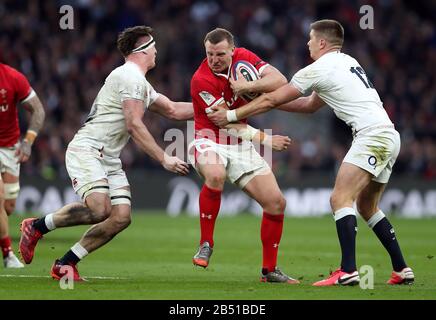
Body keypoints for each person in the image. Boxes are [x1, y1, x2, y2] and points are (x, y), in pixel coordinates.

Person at [208, 19, 414, 286]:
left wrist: (233, 113)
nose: (307, 44)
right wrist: (260, 100)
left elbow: (273, 97)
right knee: (366, 206)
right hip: (388, 135)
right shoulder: (348, 62)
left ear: (321, 43)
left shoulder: (317, 68)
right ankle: (401, 269)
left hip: (371, 136)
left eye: (310, 39)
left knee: (340, 198)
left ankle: (348, 270)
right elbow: (307, 105)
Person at [19, 26, 193, 281]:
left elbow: (174, 110)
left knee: (121, 217)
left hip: (108, 158)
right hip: (87, 149)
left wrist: (210, 108)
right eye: (153, 45)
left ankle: (65, 264)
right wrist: (164, 157)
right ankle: (36, 226)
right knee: (100, 209)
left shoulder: (139, 83)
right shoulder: (129, 77)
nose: (156, 50)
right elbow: (134, 124)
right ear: (142, 49)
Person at [189, 28, 299, 284]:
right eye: (209, 54)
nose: (214, 59)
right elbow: (224, 121)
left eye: (220, 54)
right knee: (215, 174)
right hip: (209, 139)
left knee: (276, 203)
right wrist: (267, 139)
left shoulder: (244, 56)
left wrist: (247, 86)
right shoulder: (200, 79)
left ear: (232, 50)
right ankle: (206, 243)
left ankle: (269, 271)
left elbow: (280, 80)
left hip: (240, 145)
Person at [0, 62, 45, 268]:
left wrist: (28, 142)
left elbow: (38, 110)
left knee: (8, 207)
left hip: (10, 148)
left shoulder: (13, 77)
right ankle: (8, 254)